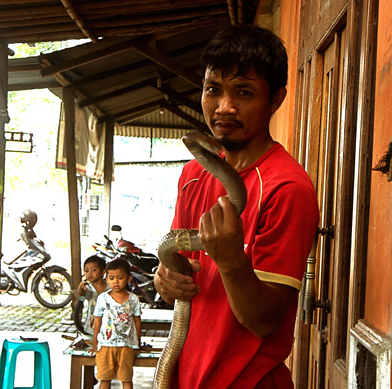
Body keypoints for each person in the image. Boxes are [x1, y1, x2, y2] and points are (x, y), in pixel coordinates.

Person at [154, 25, 319, 388]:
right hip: (188, 376)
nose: (224, 107)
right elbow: (183, 267)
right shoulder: (194, 173)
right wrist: (166, 279)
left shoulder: (287, 188)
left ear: (276, 99)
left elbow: (263, 321)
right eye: (213, 90)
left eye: (243, 93)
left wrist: (230, 261)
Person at [90, 259, 142, 389]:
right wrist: (95, 343)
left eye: (120, 278)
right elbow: (98, 320)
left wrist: (137, 343)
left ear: (129, 278)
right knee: (105, 379)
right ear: (106, 278)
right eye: (112, 278)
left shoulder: (133, 299)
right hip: (105, 345)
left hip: (126, 346)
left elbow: (137, 321)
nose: (116, 282)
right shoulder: (102, 298)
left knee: (126, 380)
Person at [77, 255, 109, 334]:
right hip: (93, 323)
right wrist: (81, 286)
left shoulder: (109, 287)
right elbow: (81, 294)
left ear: (103, 272)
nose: (90, 273)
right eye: (86, 271)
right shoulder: (88, 288)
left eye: (94, 270)